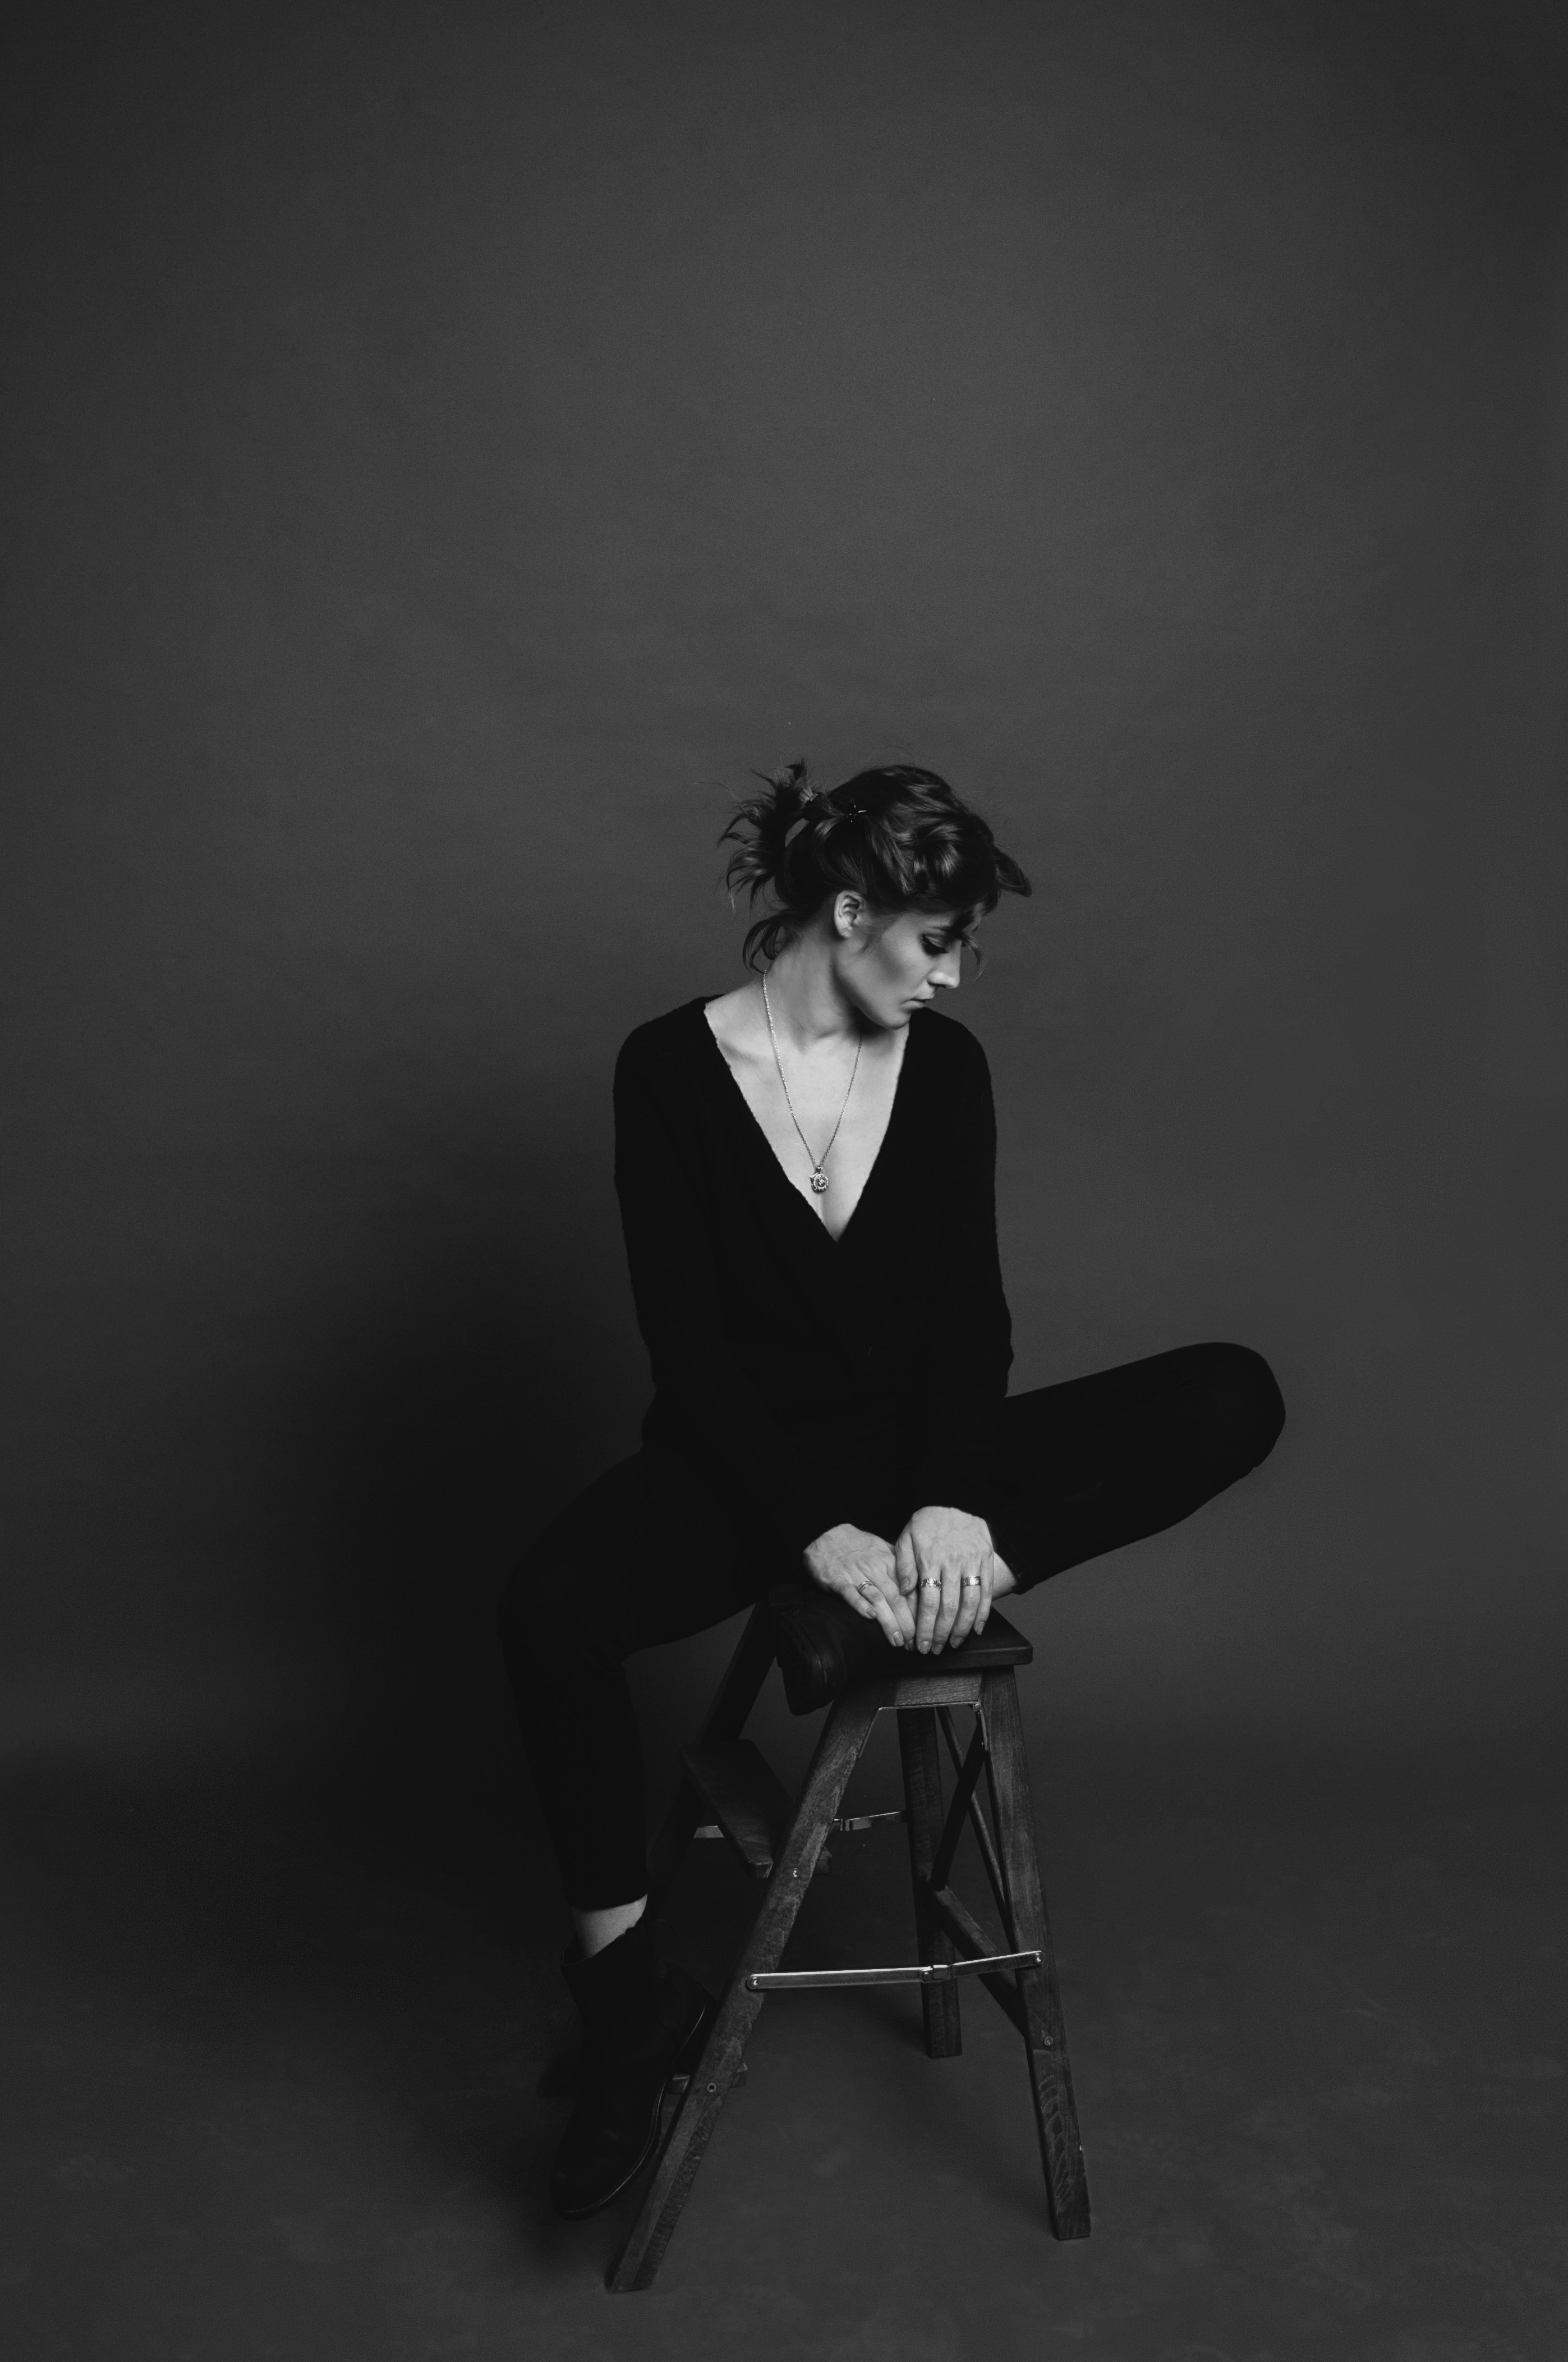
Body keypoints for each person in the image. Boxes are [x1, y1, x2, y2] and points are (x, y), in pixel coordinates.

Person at [502, 760, 1284, 2220]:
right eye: (938, 940)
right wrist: (818, 1531)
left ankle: (943, 1587)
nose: (953, 974)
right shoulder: (667, 1068)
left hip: (924, 1482)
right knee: (548, 1610)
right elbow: (690, 1351)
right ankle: (624, 2002)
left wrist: (952, 1507)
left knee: (1233, 1389)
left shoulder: (950, 1070)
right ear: (851, 913)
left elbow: (969, 1322)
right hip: (746, 1479)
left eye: (964, 945)